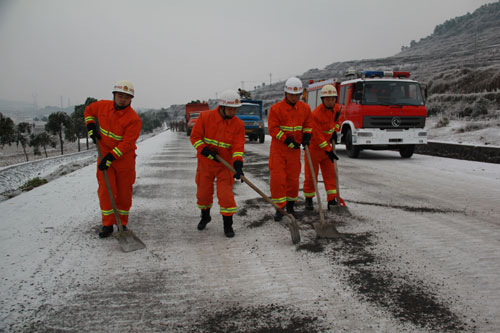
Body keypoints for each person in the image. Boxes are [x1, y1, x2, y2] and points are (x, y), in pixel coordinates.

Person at [84, 80, 142, 238]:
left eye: (126, 97)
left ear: (131, 99)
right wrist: (90, 126)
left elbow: (127, 143)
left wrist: (111, 157)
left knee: (124, 192)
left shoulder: (133, 119)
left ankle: (122, 223)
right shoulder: (101, 106)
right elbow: (88, 111)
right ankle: (107, 224)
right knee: (106, 191)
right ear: (114, 95)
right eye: (120, 95)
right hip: (103, 156)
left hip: (124, 160)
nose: (122, 99)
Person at [190, 89, 245, 238]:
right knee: (203, 195)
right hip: (206, 164)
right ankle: (205, 216)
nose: (233, 112)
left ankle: (228, 225)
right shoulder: (205, 117)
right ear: (222, 106)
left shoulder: (238, 124)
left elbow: (238, 147)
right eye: (230, 108)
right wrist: (205, 150)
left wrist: (238, 164)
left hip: (224, 166)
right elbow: (195, 137)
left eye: (235, 109)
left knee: (226, 196)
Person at [268, 77, 314, 221]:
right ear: (285, 93)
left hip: (294, 151)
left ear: (300, 95)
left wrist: (307, 135)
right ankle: (279, 208)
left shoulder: (305, 108)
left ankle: (290, 206)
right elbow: (273, 129)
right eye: (291, 94)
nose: (294, 97)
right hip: (279, 150)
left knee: (293, 179)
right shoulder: (276, 109)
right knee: (278, 179)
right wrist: (287, 140)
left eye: (297, 95)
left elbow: (308, 124)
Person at [303, 84, 341, 211]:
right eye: (327, 99)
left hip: (327, 148)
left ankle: (332, 200)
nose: (330, 101)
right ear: (323, 100)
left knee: (331, 174)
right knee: (311, 176)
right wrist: (328, 150)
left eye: (332, 99)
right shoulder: (315, 114)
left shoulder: (337, 109)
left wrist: (335, 131)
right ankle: (309, 199)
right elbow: (317, 136)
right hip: (314, 148)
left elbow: (338, 122)